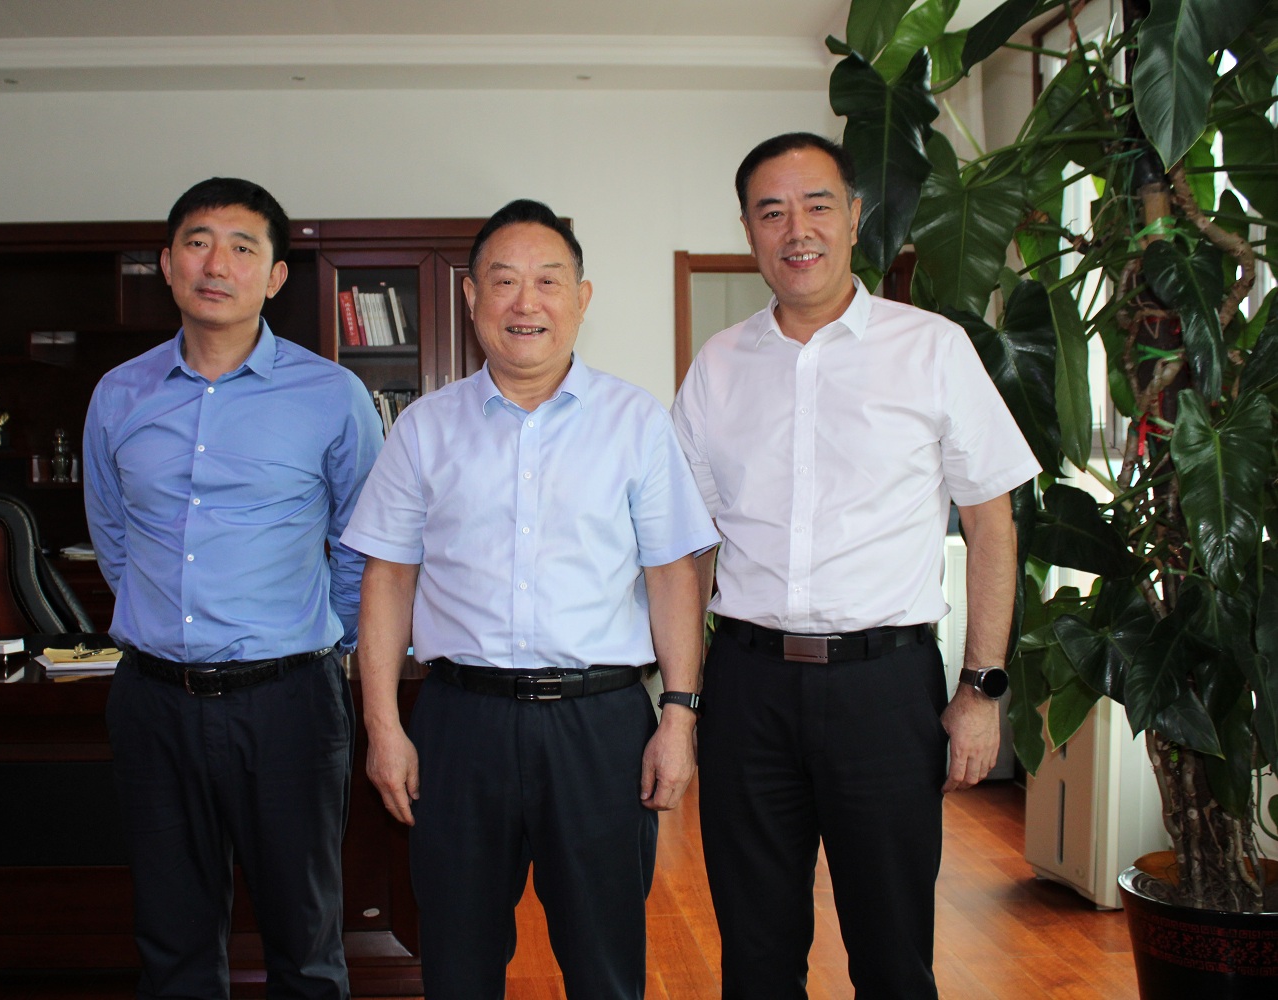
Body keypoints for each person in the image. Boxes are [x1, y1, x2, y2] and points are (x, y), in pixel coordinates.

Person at [671, 134, 1039, 999]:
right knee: (755, 956)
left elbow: (990, 522)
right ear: (748, 231)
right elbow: (687, 547)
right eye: (771, 212)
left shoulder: (932, 348)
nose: (796, 230)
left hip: (885, 691)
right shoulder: (718, 366)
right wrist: (681, 705)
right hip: (749, 689)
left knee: (892, 955)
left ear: (855, 216)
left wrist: (981, 688)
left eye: (817, 205)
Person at [342, 199, 718, 1000]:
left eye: (548, 281)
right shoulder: (423, 429)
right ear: (471, 297)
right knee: (457, 961)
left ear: (582, 299)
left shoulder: (635, 423)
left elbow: (672, 575)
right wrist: (383, 726)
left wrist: (679, 717)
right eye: (504, 281)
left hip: (601, 725)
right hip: (459, 724)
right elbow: (388, 579)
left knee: (605, 962)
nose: (526, 302)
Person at [84, 176, 382, 1000]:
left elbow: (362, 544)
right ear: (167, 264)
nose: (216, 264)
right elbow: (113, 535)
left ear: (276, 275)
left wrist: (325, 642)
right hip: (154, 700)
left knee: (305, 941)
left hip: (289, 702)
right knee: (171, 941)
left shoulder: (332, 396)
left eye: (242, 247)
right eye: (198, 243)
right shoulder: (119, 394)